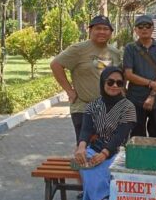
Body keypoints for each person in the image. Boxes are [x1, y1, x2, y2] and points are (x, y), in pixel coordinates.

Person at [50, 15, 121, 144]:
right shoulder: (78, 49)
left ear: (111, 32)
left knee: (107, 148)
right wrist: (69, 90)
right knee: (87, 148)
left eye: (106, 29)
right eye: (98, 28)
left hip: (109, 109)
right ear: (90, 30)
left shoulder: (115, 53)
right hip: (84, 108)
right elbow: (55, 65)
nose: (102, 32)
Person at [74, 66, 136, 200]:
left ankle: (101, 199)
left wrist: (104, 154)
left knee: (96, 167)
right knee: (86, 160)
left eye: (119, 83)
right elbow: (86, 130)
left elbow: (120, 136)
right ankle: (104, 199)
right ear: (103, 82)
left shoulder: (128, 107)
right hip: (94, 148)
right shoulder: (92, 106)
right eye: (110, 82)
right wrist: (81, 147)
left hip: (117, 150)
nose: (114, 86)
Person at [123, 15, 156, 138]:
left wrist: (152, 95)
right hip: (135, 99)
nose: (144, 29)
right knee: (137, 136)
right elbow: (129, 74)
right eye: (140, 27)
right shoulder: (130, 48)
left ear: (153, 28)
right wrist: (151, 83)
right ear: (135, 30)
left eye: (147, 26)